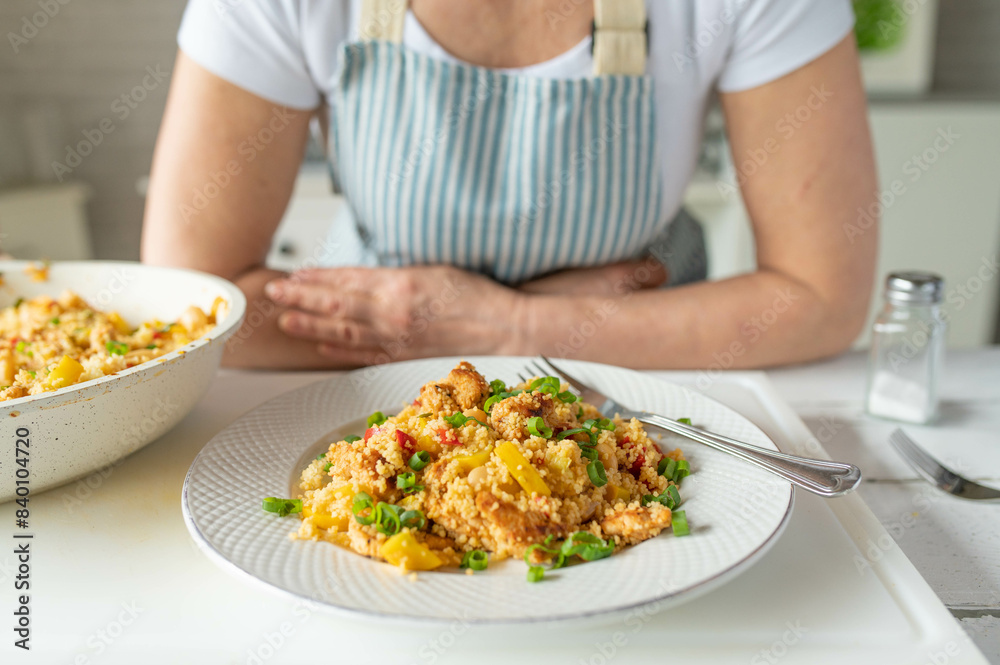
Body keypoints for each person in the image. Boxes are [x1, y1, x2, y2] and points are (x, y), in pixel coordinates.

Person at [141, 0, 878, 370]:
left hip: (642, 384)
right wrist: (436, 326)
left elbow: (822, 299)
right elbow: (189, 303)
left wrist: (509, 327)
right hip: (368, 379)